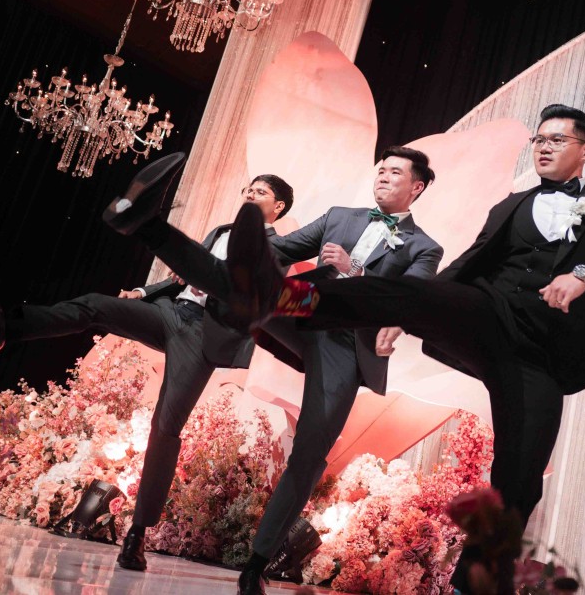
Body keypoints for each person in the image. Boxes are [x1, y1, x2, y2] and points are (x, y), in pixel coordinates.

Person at [221, 104, 585, 591]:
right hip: (489, 314)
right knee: (410, 291)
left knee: (520, 475)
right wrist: (411, 309)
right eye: (538, 139)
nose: (543, 147)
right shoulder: (511, 206)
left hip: (542, 355)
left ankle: (472, 585)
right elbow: (466, 267)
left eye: (556, 140)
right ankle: (274, 295)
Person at [0, 156, 295, 573]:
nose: (250, 195)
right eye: (248, 188)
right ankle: (3, 331)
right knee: (96, 306)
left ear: (278, 207)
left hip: (202, 336)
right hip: (171, 313)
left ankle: (137, 536)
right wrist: (143, 291)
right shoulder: (221, 231)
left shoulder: (279, 249)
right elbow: (183, 276)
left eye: (260, 192)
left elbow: (254, 296)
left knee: (165, 427)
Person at [133, 146, 443, 594]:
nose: (382, 176)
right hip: (307, 303)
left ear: (417, 187)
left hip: (348, 337)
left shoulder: (424, 247)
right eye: (380, 169)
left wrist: (354, 269)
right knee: (250, 289)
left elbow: (406, 298)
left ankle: (256, 566)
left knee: (310, 450)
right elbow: (280, 247)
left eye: (394, 172)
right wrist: (232, 256)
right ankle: (148, 225)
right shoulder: (341, 216)